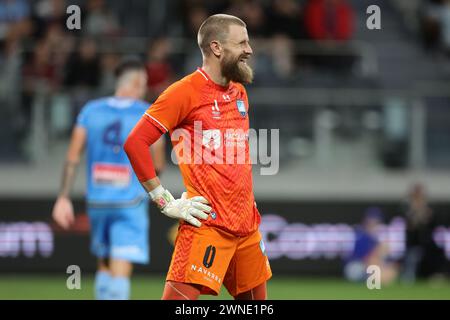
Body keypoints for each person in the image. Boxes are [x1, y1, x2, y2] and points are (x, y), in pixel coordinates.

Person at [124, 14, 272, 300]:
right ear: (217, 48)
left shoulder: (240, 92)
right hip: (207, 224)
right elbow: (135, 143)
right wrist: (164, 201)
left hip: (247, 227)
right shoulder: (184, 92)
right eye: (242, 43)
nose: (249, 50)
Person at [52, 59, 165, 300]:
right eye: (143, 84)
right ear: (136, 83)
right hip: (129, 203)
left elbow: (72, 158)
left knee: (104, 266)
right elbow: (158, 163)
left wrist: (63, 197)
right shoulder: (147, 113)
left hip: (97, 203)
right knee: (121, 270)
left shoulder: (90, 111)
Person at [344, 207, 398, 285]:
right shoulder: (361, 236)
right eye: (371, 221)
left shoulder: (375, 238)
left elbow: (384, 259)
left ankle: (375, 279)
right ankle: (374, 279)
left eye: (375, 222)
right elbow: (366, 259)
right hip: (355, 267)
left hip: (368, 268)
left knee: (390, 271)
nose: (373, 224)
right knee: (378, 269)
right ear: (366, 222)